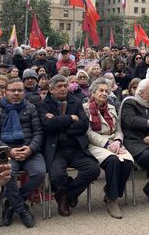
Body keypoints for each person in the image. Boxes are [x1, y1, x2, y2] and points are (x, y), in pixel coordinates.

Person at [0, 78, 45, 228]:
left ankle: (10, 205)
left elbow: (39, 133)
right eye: (13, 90)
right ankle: (21, 209)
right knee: (8, 174)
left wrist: (30, 148)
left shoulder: (30, 108)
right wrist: (9, 151)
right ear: (5, 91)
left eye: (20, 90)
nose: (17, 93)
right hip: (6, 150)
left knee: (39, 173)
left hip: (29, 150)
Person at [37, 75, 100, 217]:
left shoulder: (75, 102)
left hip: (75, 147)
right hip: (56, 149)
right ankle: (66, 194)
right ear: (51, 89)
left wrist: (60, 124)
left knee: (93, 169)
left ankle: (65, 194)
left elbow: (83, 125)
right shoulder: (43, 104)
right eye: (59, 86)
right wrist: (70, 119)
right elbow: (47, 125)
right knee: (57, 176)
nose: (63, 89)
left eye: (65, 86)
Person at [82, 78, 134, 218]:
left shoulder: (111, 108)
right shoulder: (85, 109)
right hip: (96, 144)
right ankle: (113, 200)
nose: (104, 93)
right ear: (93, 93)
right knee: (113, 161)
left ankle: (112, 191)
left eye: (107, 91)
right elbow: (88, 132)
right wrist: (107, 145)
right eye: (101, 90)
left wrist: (117, 141)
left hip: (114, 142)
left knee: (128, 162)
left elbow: (118, 129)